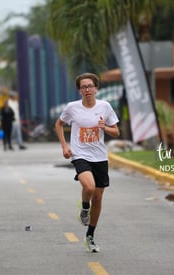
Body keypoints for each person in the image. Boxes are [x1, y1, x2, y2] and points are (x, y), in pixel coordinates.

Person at [55, 72, 120, 252]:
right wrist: (64, 147)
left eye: (90, 86)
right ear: (79, 90)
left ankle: (90, 236)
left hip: (100, 156)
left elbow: (116, 132)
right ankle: (84, 208)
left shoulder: (105, 107)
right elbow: (58, 124)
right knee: (89, 188)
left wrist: (104, 127)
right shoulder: (72, 107)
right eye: (83, 87)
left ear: (96, 88)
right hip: (80, 154)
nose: (87, 89)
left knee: (98, 198)